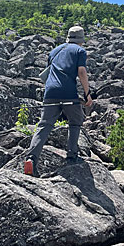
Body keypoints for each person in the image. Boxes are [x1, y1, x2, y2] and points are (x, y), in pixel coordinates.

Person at [24, 26, 93, 176]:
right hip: (68, 92)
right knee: (75, 120)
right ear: (81, 39)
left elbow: (50, 72)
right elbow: (81, 72)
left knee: (44, 125)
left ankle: (31, 158)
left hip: (50, 92)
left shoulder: (54, 51)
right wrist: (87, 93)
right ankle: (72, 156)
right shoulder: (80, 51)